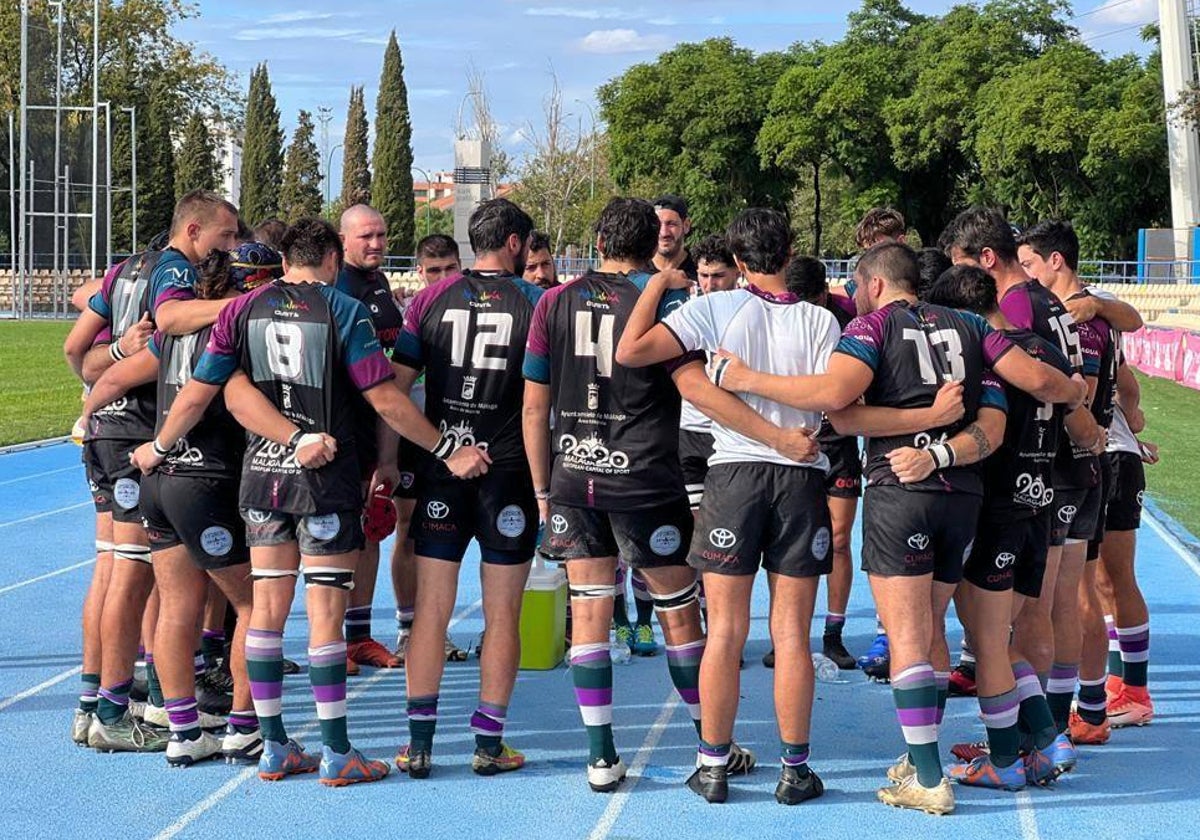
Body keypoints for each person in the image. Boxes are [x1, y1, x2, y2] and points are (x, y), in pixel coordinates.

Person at [707, 242, 1085, 815]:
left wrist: (744, 377)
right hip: (965, 496)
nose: (855, 294)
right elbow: (1026, 395)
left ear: (876, 284)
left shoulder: (871, 326)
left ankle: (929, 778)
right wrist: (1076, 391)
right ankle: (944, 753)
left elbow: (835, 402)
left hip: (899, 493)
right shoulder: (969, 327)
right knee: (938, 627)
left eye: (858, 285)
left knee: (908, 633)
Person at [130, 218, 490, 786]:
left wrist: (159, 445)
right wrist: (449, 448)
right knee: (325, 617)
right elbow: (385, 399)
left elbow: (202, 392)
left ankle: (272, 746)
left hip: (262, 480)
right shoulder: (344, 310)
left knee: (266, 615)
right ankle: (337, 751)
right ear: (328, 257)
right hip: (324, 482)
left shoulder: (240, 310)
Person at [523, 197, 812, 793]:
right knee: (681, 615)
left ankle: (602, 756)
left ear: (598, 239)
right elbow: (697, 391)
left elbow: (534, 404)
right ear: (653, 241)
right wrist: (776, 437)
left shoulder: (552, 300)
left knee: (590, 613)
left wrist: (542, 488)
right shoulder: (667, 301)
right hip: (646, 476)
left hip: (575, 472)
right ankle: (713, 746)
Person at [616, 208, 835, 805]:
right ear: (790, 252)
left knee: (726, 632)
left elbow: (632, 350)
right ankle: (795, 769)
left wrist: (660, 280)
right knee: (791, 633)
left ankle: (712, 764)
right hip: (800, 478)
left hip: (732, 476)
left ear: (736, 264)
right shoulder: (822, 319)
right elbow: (833, 401)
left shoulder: (715, 306)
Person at [80, 243, 285, 767]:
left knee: (176, 606)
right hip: (207, 483)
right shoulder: (232, 335)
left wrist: (87, 421)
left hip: (159, 486)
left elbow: (107, 377)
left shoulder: (171, 338)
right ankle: (243, 729)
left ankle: (184, 731)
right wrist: (295, 437)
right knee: (253, 607)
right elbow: (232, 397)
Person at [390, 198, 542, 778]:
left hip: (442, 467)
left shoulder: (428, 299)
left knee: (431, 610)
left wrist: (427, 451)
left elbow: (396, 391)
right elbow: (542, 401)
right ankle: (487, 744)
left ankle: (420, 744)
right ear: (513, 244)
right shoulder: (536, 301)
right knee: (502, 613)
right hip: (509, 473)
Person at [925, 265, 1082, 791]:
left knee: (987, 638)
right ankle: (1042, 737)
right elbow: (1074, 412)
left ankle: (1009, 758)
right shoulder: (1044, 347)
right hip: (1040, 502)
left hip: (999, 508)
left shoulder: (988, 351)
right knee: (999, 636)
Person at [1018, 220, 1121, 745]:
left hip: (1066, 468)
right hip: (1083, 467)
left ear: (1055, 261)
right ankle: (1090, 710)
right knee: (1076, 596)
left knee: (1055, 601)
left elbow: (1085, 396)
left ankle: (1052, 727)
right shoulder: (1082, 315)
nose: (1026, 276)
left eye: (1030, 264)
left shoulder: (1078, 321)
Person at [773, 256, 861, 671]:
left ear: (824, 295)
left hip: (839, 439)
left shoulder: (847, 317)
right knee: (788, 542)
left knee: (839, 539)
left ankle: (833, 633)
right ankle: (787, 634)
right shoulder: (777, 316)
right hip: (795, 439)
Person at [335, 204, 405, 673]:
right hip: (339, 430)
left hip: (375, 428)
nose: (376, 243)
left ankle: (358, 637)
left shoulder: (378, 285)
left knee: (371, 532)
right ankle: (327, 638)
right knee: (332, 540)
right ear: (343, 241)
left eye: (381, 234)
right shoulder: (336, 288)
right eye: (366, 236)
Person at [392, 233, 466, 663]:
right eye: (433, 271)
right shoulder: (409, 309)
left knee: (449, 535)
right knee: (408, 527)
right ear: (420, 271)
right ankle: (407, 627)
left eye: (449, 269)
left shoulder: (474, 307)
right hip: (412, 437)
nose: (441, 278)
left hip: (461, 437)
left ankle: (438, 628)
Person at [652, 194, 698, 278]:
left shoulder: (702, 271)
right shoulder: (636, 271)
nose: (664, 233)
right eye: (657, 225)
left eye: (671, 224)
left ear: (686, 225)